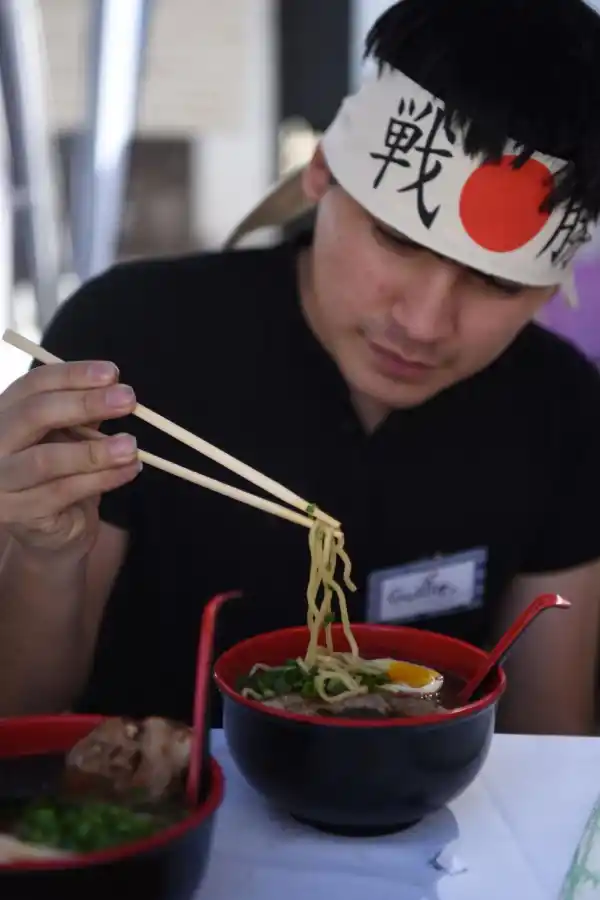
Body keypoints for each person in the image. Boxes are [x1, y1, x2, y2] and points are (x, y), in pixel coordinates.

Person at [1, 0, 600, 735]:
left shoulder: (561, 407)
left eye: (497, 283)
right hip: (152, 797)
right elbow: (19, 717)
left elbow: (552, 744)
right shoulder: (130, 337)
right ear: (322, 170)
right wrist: (43, 555)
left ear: (555, 283)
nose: (423, 323)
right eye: (395, 239)